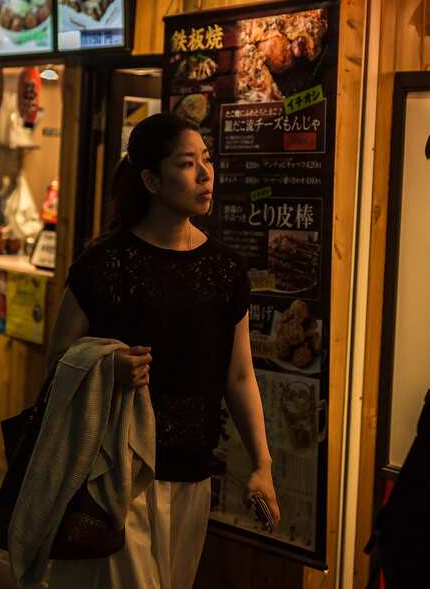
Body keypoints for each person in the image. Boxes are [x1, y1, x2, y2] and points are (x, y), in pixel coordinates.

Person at [46, 112, 280, 589]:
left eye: (207, 161)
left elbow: (239, 376)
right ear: (151, 179)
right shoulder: (103, 263)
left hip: (192, 470)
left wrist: (262, 464)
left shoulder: (225, 269)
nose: (205, 173)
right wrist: (106, 366)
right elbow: (58, 363)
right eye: (187, 163)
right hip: (113, 469)